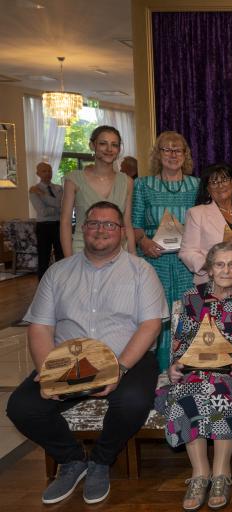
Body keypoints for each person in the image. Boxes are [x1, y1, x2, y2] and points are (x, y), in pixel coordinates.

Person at [6, 201, 166, 505]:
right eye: (94, 223)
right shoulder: (58, 272)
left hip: (126, 358)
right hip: (68, 361)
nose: (101, 230)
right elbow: (40, 327)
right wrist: (48, 372)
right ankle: (72, 460)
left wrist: (119, 369)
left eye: (109, 224)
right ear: (83, 229)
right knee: (22, 407)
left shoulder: (141, 271)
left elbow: (150, 326)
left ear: (122, 232)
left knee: (133, 400)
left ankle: (101, 461)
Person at [156, 242, 232, 511]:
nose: (226, 270)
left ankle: (221, 473)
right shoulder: (193, 297)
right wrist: (176, 365)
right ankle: (200, 474)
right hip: (196, 369)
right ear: (210, 269)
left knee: (219, 388)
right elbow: (182, 340)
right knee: (184, 391)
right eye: (219, 264)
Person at [133, 131, 200, 370]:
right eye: (167, 149)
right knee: (156, 314)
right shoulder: (142, 185)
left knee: (187, 312)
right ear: (158, 154)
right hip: (154, 260)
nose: (173, 154)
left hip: (186, 264)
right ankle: (156, 369)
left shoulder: (196, 185)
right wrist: (144, 242)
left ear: (185, 154)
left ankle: (185, 367)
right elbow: (134, 225)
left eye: (177, 150)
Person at [180, 163, 232, 288]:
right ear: (208, 189)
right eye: (214, 182)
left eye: (224, 180)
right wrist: (212, 266)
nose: (220, 186)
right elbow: (187, 252)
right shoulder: (196, 213)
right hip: (214, 284)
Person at [60, 125, 135, 257]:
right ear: (92, 145)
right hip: (82, 251)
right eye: (103, 144)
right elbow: (65, 222)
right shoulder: (74, 179)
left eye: (114, 145)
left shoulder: (127, 182)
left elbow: (127, 223)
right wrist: (69, 259)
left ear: (119, 149)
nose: (109, 149)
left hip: (119, 252)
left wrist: (133, 254)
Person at [29, 161, 64, 279]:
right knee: (44, 257)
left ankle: (61, 281)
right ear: (38, 173)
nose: (48, 173)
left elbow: (63, 205)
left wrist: (43, 196)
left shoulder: (59, 188)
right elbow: (43, 211)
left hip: (59, 225)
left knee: (61, 255)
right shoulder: (34, 190)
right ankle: (42, 284)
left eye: (49, 170)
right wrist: (58, 208)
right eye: (44, 171)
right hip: (44, 226)